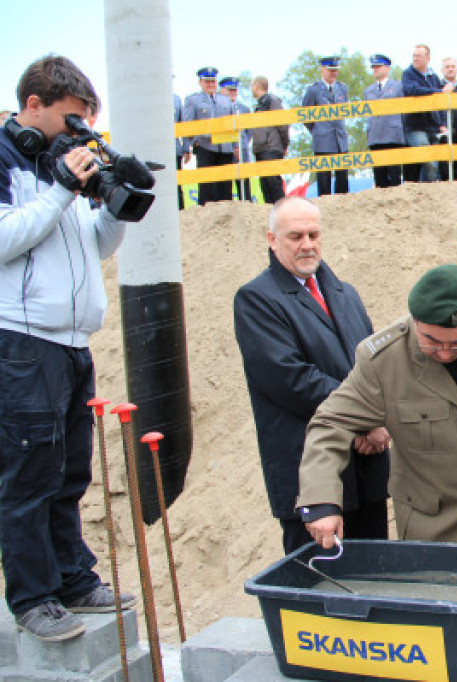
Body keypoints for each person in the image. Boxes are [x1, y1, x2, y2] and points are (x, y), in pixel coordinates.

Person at [296, 264, 457, 635]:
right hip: (435, 531)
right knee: (448, 639)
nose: (445, 353)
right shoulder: (383, 360)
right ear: (415, 322)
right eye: (431, 341)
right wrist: (321, 500)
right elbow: (329, 424)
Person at [0, 55, 136, 642]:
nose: (77, 131)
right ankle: (33, 597)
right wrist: (62, 188)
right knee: (28, 476)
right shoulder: (9, 161)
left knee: (69, 472)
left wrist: (119, 203)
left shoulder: (64, 164)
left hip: (73, 342)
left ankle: (73, 580)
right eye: (71, 118)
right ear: (34, 106)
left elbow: (94, 245)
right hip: (22, 340)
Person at [234, 196, 390, 553]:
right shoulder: (257, 300)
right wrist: (366, 419)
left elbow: (375, 366)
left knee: (375, 576)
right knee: (319, 580)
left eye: (314, 235)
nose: (307, 244)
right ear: (272, 240)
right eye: (295, 236)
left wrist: (378, 418)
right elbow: (291, 380)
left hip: (366, 469)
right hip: (311, 478)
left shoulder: (345, 293)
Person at [183, 66, 235, 205]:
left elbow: (232, 123)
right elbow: (188, 124)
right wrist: (194, 141)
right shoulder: (192, 100)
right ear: (200, 82)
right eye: (207, 81)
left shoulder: (225, 100)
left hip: (225, 148)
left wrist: (235, 146)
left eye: (213, 81)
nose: (210, 84)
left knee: (225, 188)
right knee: (207, 188)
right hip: (205, 147)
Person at [402, 44, 452, 183]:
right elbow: (412, 90)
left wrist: (443, 123)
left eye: (418, 56)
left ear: (427, 58)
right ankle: (431, 188)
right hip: (415, 126)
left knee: (433, 162)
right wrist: (439, 91)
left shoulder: (433, 77)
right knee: (429, 160)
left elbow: (441, 103)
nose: (415, 58)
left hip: (433, 126)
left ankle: (427, 190)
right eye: (414, 56)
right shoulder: (408, 74)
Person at [302, 56, 350, 197]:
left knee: (342, 179)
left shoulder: (342, 89)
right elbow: (305, 116)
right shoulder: (314, 90)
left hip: (340, 140)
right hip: (322, 140)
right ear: (323, 70)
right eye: (330, 70)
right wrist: (318, 130)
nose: (334, 73)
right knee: (324, 181)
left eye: (335, 70)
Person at [363, 54, 404, 189]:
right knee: (379, 177)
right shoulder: (368, 91)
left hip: (393, 135)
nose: (376, 69)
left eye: (379, 66)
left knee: (394, 176)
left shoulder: (398, 86)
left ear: (387, 68)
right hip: (375, 136)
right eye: (374, 67)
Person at [250, 75, 289, 204]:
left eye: (252, 86)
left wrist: (285, 145)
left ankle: (283, 208)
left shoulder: (272, 101)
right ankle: (269, 210)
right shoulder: (259, 105)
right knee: (265, 184)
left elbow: (283, 124)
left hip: (271, 147)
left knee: (274, 182)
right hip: (261, 148)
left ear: (256, 86)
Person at [219, 77, 251, 202]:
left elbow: (248, 132)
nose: (233, 92)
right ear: (222, 90)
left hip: (242, 150)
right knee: (225, 184)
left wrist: (242, 145)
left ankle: (246, 203)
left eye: (235, 90)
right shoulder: (218, 107)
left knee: (244, 183)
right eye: (230, 90)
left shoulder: (244, 109)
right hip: (224, 149)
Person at [173, 93, 189, 209]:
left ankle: (180, 213)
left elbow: (183, 124)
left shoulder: (176, 99)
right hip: (155, 151)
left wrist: (186, 148)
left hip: (174, 150)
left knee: (177, 185)